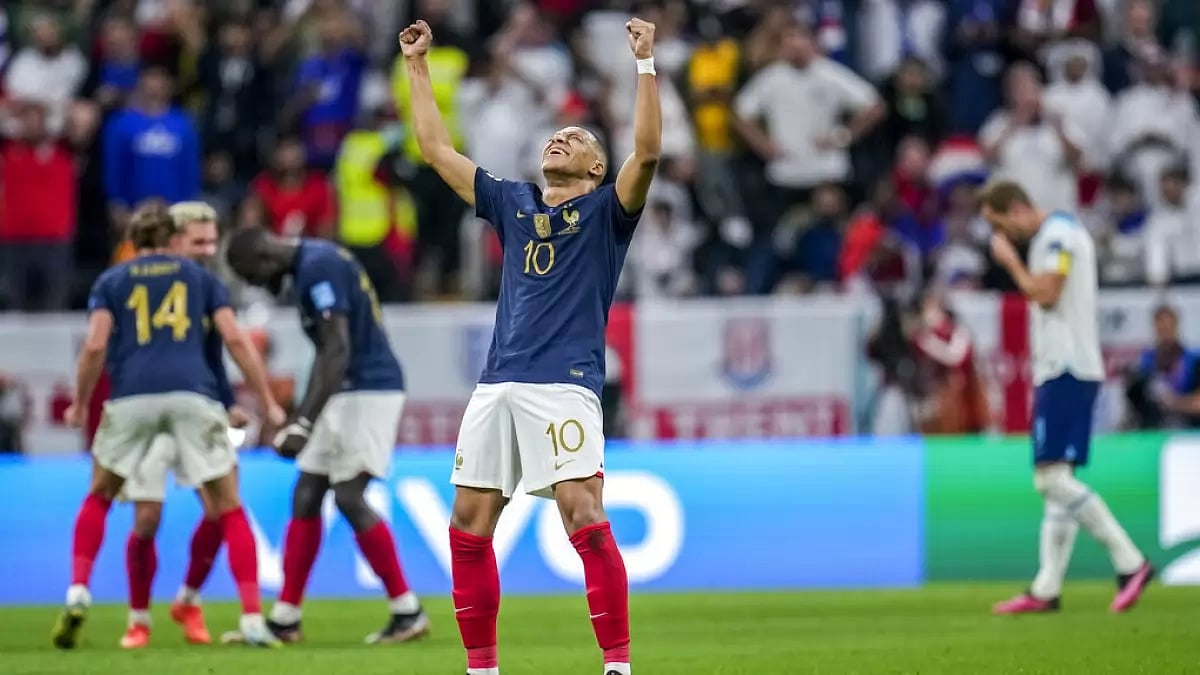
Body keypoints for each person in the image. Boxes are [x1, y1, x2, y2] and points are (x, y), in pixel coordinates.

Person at [399, 13, 662, 675]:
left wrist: (644, 65)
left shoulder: (607, 213)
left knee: (581, 510)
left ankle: (617, 666)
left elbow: (650, 153)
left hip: (564, 381)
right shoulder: (512, 202)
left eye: (578, 137)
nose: (562, 135)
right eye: (557, 131)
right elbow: (436, 151)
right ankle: (482, 669)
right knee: (467, 523)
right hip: (499, 381)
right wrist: (417, 67)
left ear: (597, 169)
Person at [52, 204, 283, 649]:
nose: (205, 248)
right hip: (191, 399)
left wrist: (81, 404)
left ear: (132, 241)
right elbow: (234, 340)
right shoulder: (202, 281)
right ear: (175, 239)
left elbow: (95, 345)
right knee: (227, 505)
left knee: (101, 494)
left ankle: (81, 589)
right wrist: (267, 400)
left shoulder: (112, 280)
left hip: (133, 399)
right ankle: (251, 617)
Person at [224, 226, 425, 644]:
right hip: (346, 390)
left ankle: (407, 610)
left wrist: (302, 422)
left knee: (349, 494)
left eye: (255, 277)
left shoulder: (318, 268)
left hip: (368, 388)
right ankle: (286, 618)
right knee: (307, 492)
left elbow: (337, 349)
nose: (261, 286)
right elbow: (328, 354)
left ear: (265, 256)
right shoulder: (314, 262)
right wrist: (305, 415)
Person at [979, 180, 1154, 614]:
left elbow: (1047, 293)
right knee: (1055, 482)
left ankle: (1130, 562)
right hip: (1062, 367)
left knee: (1049, 479)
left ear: (1017, 208)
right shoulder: (1055, 235)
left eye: (1000, 226)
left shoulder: (1057, 236)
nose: (1001, 238)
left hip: (1067, 367)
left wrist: (1011, 265)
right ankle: (1047, 587)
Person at [114, 203, 261, 647]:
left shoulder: (207, 286)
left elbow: (213, 353)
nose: (207, 249)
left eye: (212, 240)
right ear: (173, 241)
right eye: (198, 241)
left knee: (221, 509)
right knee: (147, 519)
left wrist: (229, 401)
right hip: (146, 409)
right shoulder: (134, 281)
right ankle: (138, 619)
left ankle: (188, 599)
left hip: (198, 406)